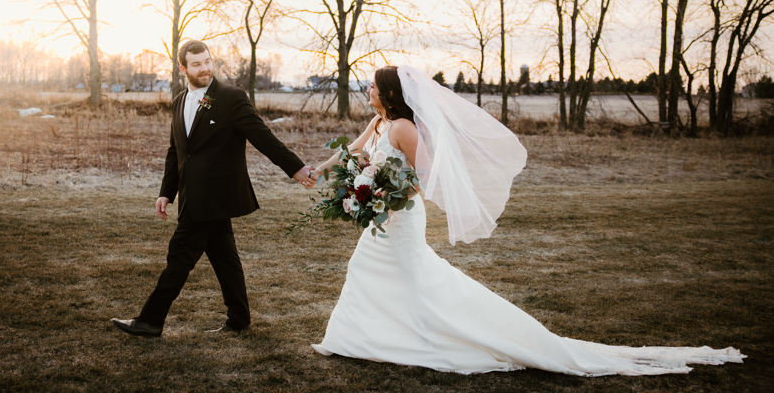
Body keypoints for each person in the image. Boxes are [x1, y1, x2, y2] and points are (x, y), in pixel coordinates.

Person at [308, 65, 745, 375]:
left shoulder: (406, 128)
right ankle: (358, 339)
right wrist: (321, 172)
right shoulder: (379, 122)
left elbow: (424, 180)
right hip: (382, 217)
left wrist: (383, 192)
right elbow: (350, 151)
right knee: (368, 269)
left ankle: (425, 338)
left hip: (401, 215)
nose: (367, 91)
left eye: (371, 87)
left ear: (388, 91)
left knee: (416, 279)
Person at [112, 40, 315, 337]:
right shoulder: (179, 100)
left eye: (207, 61)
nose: (204, 67)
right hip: (193, 195)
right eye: (196, 64)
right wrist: (166, 191)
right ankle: (240, 318)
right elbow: (176, 151)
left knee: (179, 257)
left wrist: (296, 169)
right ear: (183, 68)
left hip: (214, 195)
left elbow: (262, 136)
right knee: (224, 258)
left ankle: (150, 321)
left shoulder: (232, 97)